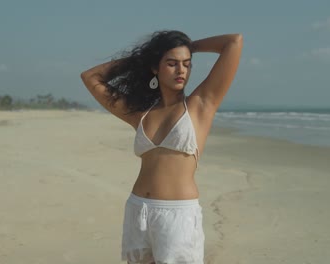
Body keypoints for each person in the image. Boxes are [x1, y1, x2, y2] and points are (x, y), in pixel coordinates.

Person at [81, 30, 242, 264]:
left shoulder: (200, 105)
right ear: (155, 68)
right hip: (139, 210)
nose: (181, 71)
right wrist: (145, 57)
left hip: (178, 216)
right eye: (172, 63)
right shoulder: (140, 114)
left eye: (186, 64)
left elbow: (233, 42)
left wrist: (188, 46)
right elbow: (91, 77)